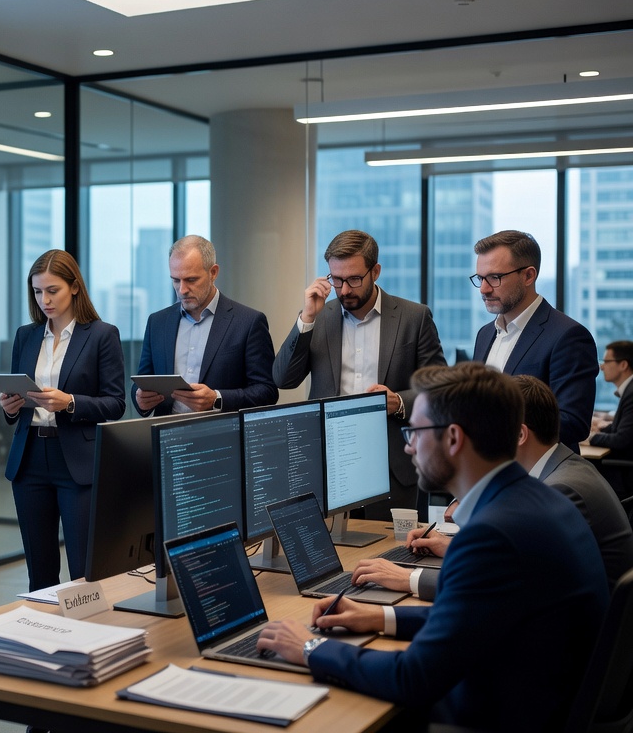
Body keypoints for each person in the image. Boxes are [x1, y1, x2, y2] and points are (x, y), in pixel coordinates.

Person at [257, 363, 608, 732]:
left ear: (453, 438)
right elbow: (471, 617)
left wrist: (312, 649)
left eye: (415, 432)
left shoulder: (492, 533)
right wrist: (380, 617)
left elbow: (413, 677)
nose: (408, 446)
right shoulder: (537, 501)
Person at [351, 374, 633, 599]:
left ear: (520, 434)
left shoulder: (559, 491)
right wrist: (456, 548)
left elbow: (495, 583)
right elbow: (517, 562)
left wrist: (407, 578)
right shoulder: (563, 471)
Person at [273, 230, 446, 514]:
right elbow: (283, 379)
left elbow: (440, 391)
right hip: (329, 466)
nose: (344, 290)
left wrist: (399, 402)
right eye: (336, 279)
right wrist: (306, 320)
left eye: (354, 279)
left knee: (391, 555)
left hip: (392, 467)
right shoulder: (320, 316)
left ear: (375, 271)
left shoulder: (414, 317)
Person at [0, 250, 125, 592]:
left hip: (77, 463)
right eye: (38, 292)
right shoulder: (26, 336)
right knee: (39, 574)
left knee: (83, 572)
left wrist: (69, 402)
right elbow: (17, 403)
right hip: (29, 462)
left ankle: (89, 638)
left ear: (74, 287)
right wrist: (11, 407)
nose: (45, 300)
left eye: (52, 290)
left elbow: (116, 404)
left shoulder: (101, 335)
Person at [471, 229, 597, 451]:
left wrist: (494, 422)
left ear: (528, 276)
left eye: (495, 278)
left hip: (537, 479)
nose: (484, 289)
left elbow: (573, 423)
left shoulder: (568, 336)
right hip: (488, 473)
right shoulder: (484, 334)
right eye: (480, 278)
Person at [131, 235, 276, 416]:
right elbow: (142, 382)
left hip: (222, 436)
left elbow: (267, 392)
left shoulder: (248, 322)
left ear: (213, 273)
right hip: (168, 437)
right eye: (176, 280)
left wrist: (217, 399)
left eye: (191, 280)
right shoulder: (157, 322)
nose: (182, 290)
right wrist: (140, 400)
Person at [590, 340, 633, 496]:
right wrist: (601, 429)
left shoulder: (631, 393)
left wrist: (592, 437)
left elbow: (622, 439)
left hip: (624, 474)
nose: (601, 367)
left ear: (623, 365)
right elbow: (621, 427)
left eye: (606, 362)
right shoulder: (629, 390)